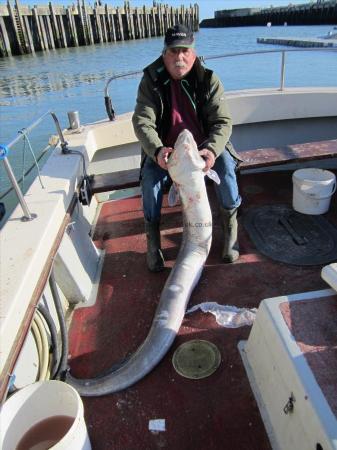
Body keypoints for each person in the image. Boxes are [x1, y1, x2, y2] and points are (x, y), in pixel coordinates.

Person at [132, 24, 242, 272]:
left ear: (193, 53)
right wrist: (157, 150)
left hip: (202, 147)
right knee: (149, 180)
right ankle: (153, 241)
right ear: (164, 54)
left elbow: (222, 122)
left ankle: (231, 231)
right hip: (166, 151)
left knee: (226, 168)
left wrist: (212, 150)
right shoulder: (151, 80)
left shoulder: (208, 79)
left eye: (185, 51)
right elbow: (142, 122)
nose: (179, 57)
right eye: (173, 51)